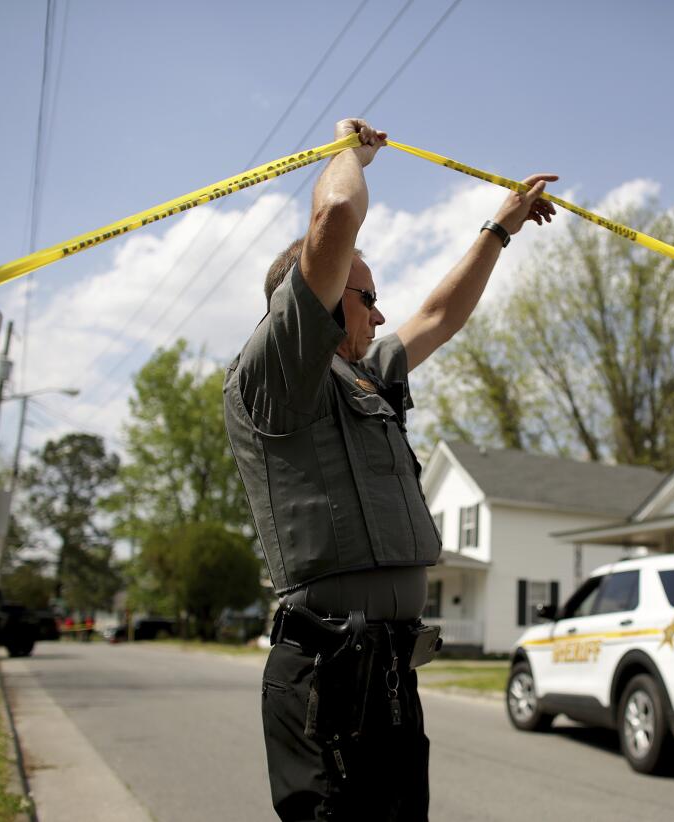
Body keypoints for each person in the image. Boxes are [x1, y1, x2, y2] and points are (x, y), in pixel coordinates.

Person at [223, 117, 556, 821]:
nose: (380, 314)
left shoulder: (365, 376)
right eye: (365, 296)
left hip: (392, 675)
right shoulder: (274, 373)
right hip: (324, 675)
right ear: (311, 293)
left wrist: (499, 227)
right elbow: (336, 212)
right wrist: (351, 154)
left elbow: (438, 314)